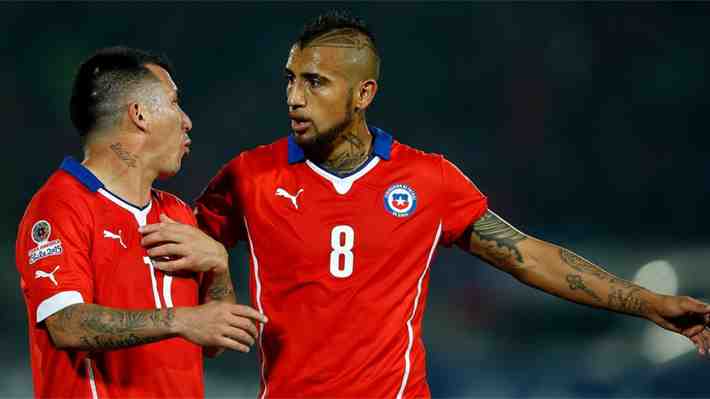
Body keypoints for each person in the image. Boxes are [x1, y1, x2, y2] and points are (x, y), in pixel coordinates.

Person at [142, 11, 710, 399]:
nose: (293, 96)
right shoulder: (251, 175)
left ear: (363, 94)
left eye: (314, 82)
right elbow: (175, 255)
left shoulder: (427, 179)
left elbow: (529, 257)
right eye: (290, 79)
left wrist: (651, 304)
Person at [15, 46, 266, 399]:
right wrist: (178, 319)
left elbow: (215, 337)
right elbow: (66, 324)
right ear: (140, 114)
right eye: (175, 102)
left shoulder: (176, 213)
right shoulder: (60, 206)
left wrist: (219, 268)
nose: (187, 121)